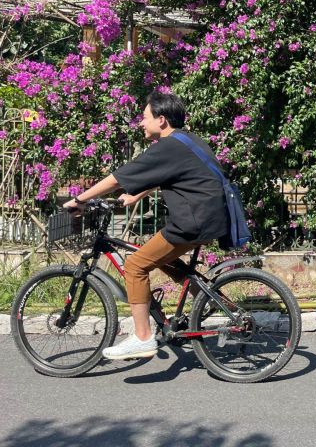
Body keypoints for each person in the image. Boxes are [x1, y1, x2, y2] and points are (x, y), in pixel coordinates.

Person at [63, 91, 228, 360]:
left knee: (135, 264)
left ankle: (142, 337)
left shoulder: (168, 146)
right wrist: (137, 194)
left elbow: (117, 178)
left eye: (144, 117)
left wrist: (80, 199)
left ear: (161, 120)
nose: (141, 123)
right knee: (156, 256)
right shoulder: (183, 141)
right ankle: (208, 298)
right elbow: (170, 175)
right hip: (205, 217)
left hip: (194, 221)